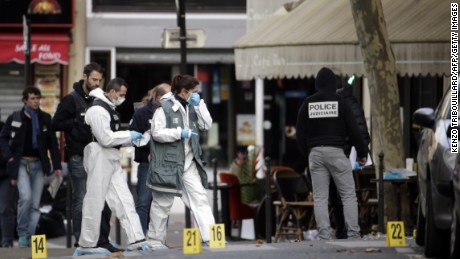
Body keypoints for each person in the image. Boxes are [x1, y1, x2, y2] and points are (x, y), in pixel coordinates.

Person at [74, 78, 154, 255]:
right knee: (95, 200)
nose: (123, 98)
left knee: (124, 198)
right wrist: (128, 135)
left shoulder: (108, 108)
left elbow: (112, 137)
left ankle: (136, 239)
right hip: (98, 154)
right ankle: (87, 244)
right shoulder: (97, 109)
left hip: (110, 155)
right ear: (112, 92)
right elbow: (105, 138)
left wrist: (135, 138)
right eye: (121, 94)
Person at [51, 62, 121, 252]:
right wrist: (77, 121)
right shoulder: (71, 100)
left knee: (104, 200)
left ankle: (102, 240)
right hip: (78, 156)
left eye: (100, 80)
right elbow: (55, 123)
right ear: (84, 77)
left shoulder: (103, 100)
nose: (97, 83)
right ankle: (83, 242)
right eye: (94, 79)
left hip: (100, 157)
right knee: (81, 199)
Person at [296, 67, 368, 240]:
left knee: (320, 197)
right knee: (348, 195)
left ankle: (324, 235)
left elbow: (299, 133)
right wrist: (362, 152)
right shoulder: (341, 101)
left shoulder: (308, 103)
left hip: (315, 154)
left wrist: (308, 152)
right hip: (336, 152)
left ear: (317, 84)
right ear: (333, 84)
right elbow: (354, 129)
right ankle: (353, 233)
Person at [146, 74, 215, 246]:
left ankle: (211, 238)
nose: (197, 94)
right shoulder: (164, 108)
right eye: (194, 92)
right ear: (184, 92)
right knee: (162, 204)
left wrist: (200, 105)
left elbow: (207, 125)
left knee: (200, 198)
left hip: (189, 164)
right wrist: (178, 133)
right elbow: (157, 133)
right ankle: (155, 242)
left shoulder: (194, 106)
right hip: (168, 165)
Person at [0, 87, 62, 247]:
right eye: (32, 98)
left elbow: (53, 145)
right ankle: (22, 233)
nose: (35, 101)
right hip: (21, 164)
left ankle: (30, 236)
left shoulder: (45, 118)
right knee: (25, 198)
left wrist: (57, 166)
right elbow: (3, 138)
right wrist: (9, 156)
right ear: (25, 100)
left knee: (35, 204)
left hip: (39, 164)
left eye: (37, 98)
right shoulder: (15, 117)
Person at [329, 77, 372, 239]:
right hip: (346, 154)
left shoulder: (336, 104)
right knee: (346, 193)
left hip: (337, 152)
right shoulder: (352, 102)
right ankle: (351, 228)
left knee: (337, 193)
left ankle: (342, 228)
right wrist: (363, 151)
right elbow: (361, 129)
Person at [129, 83, 171, 234]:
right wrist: (147, 151)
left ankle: (159, 237)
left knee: (162, 204)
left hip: (165, 165)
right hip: (147, 164)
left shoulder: (171, 113)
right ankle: (140, 237)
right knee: (143, 202)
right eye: (168, 97)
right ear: (158, 98)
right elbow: (133, 137)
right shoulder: (141, 113)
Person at [0, 113, 16, 248]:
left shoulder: (4, 129)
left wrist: (13, 175)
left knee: (6, 209)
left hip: (5, 175)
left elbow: (13, 152)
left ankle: (7, 243)